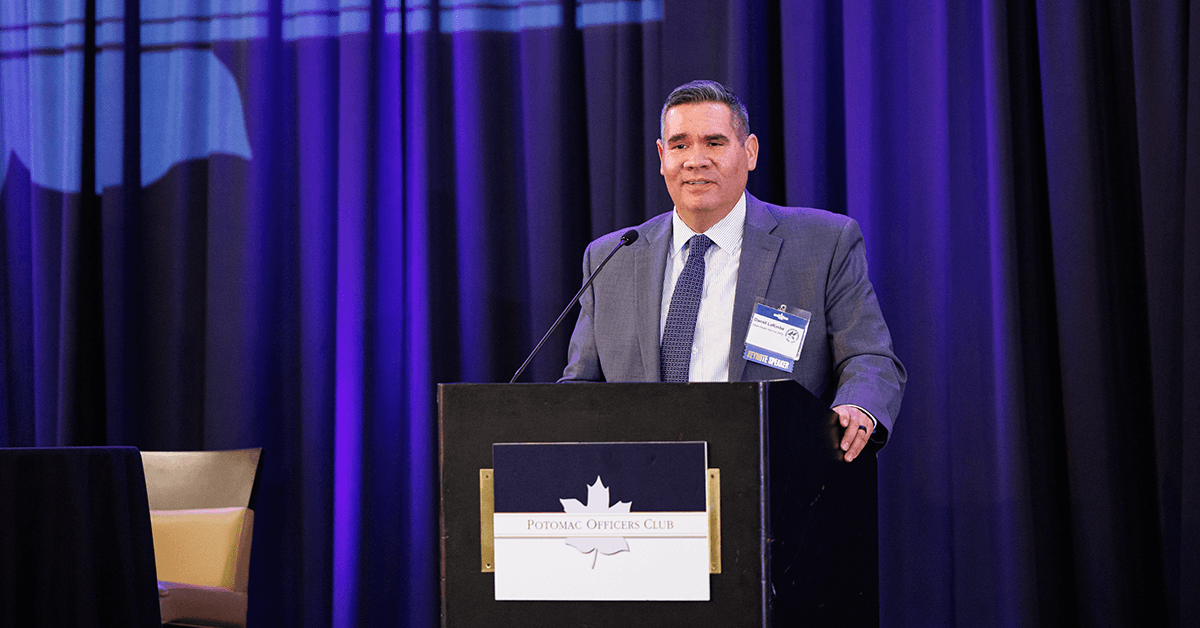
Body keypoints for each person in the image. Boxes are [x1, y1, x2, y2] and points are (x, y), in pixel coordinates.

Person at [560, 80, 905, 462]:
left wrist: (857, 405)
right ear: (662, 156)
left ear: (750, 151)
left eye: (714, 142)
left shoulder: (823, 244)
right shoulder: (612, 257)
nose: (695, 160)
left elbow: (869, 358)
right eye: (679, 145)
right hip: (643, 480)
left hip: (774, 472)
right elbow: (580, 388)